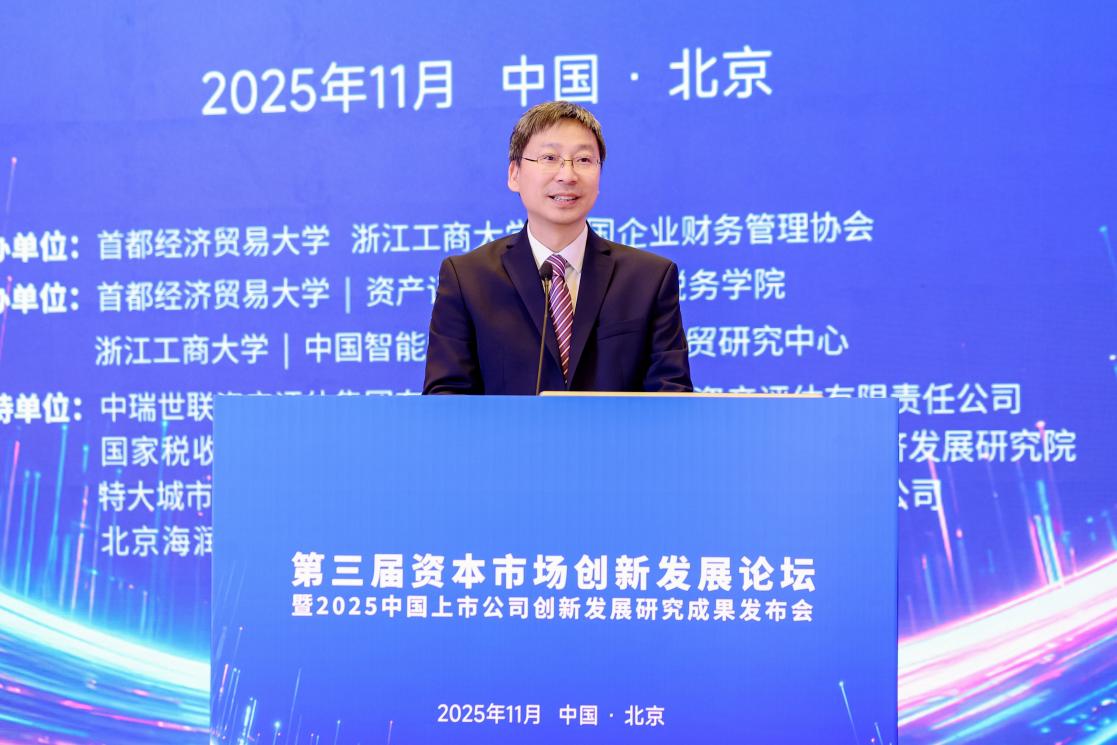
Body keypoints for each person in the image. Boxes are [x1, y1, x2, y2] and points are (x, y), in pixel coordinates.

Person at [423, 101, 692, 394]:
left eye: (584, 160)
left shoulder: (649, 279)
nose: (567, 175)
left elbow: (671, 397)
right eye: (549, 158)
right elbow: (446, 399)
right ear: (514, 174)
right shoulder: (467, 279)